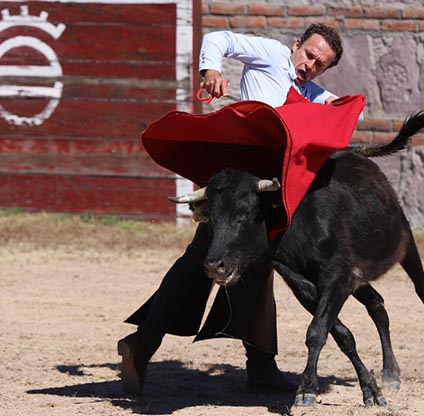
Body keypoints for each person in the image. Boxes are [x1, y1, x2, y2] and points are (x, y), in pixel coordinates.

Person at [118, 23, 346, 396]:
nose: (310, 65)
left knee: (249, 263)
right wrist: (211, 70)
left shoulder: (308, 91)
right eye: (308, 55)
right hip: (238, 186)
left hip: (266, 191)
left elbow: (329, 105)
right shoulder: (271, 54)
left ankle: (257, 364)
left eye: (319, 64)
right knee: (205, 257)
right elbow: (219, 39)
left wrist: (338, 106)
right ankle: (146, 344)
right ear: (296, 44)